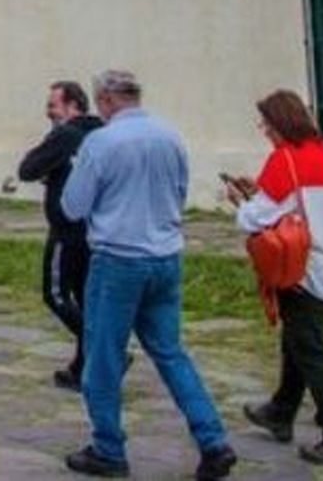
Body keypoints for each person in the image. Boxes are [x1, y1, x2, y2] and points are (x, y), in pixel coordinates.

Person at [61, 70, 235, 479]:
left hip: (118, 258)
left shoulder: (100, 142)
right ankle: (213, 439)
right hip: (165, 254)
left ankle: (108, 447)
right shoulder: (169, 135)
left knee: (103, 357)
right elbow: (180, 190)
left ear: (105, 100)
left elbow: (73, 205)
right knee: (171, 352)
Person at [226, 90, 323, 472]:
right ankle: (281, 410)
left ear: (279, 124)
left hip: (305, 269)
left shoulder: (284, 161)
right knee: (298, 342)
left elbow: (254, 219)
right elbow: (297, 203)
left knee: (314, 354)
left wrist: (242, 201)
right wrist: (262, 196)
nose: (264, 130)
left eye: (266, 123)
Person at [16, 80, 104, 390]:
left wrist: (48, 162)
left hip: (67, 229)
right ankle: (82, 368)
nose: (48, 111)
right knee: (85, 298)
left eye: (53, 105)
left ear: (71, 107)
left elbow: (27, 168)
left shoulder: (66, 135)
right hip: (95, 229)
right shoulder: (100, 132)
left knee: (55, 294)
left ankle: (105, 351)